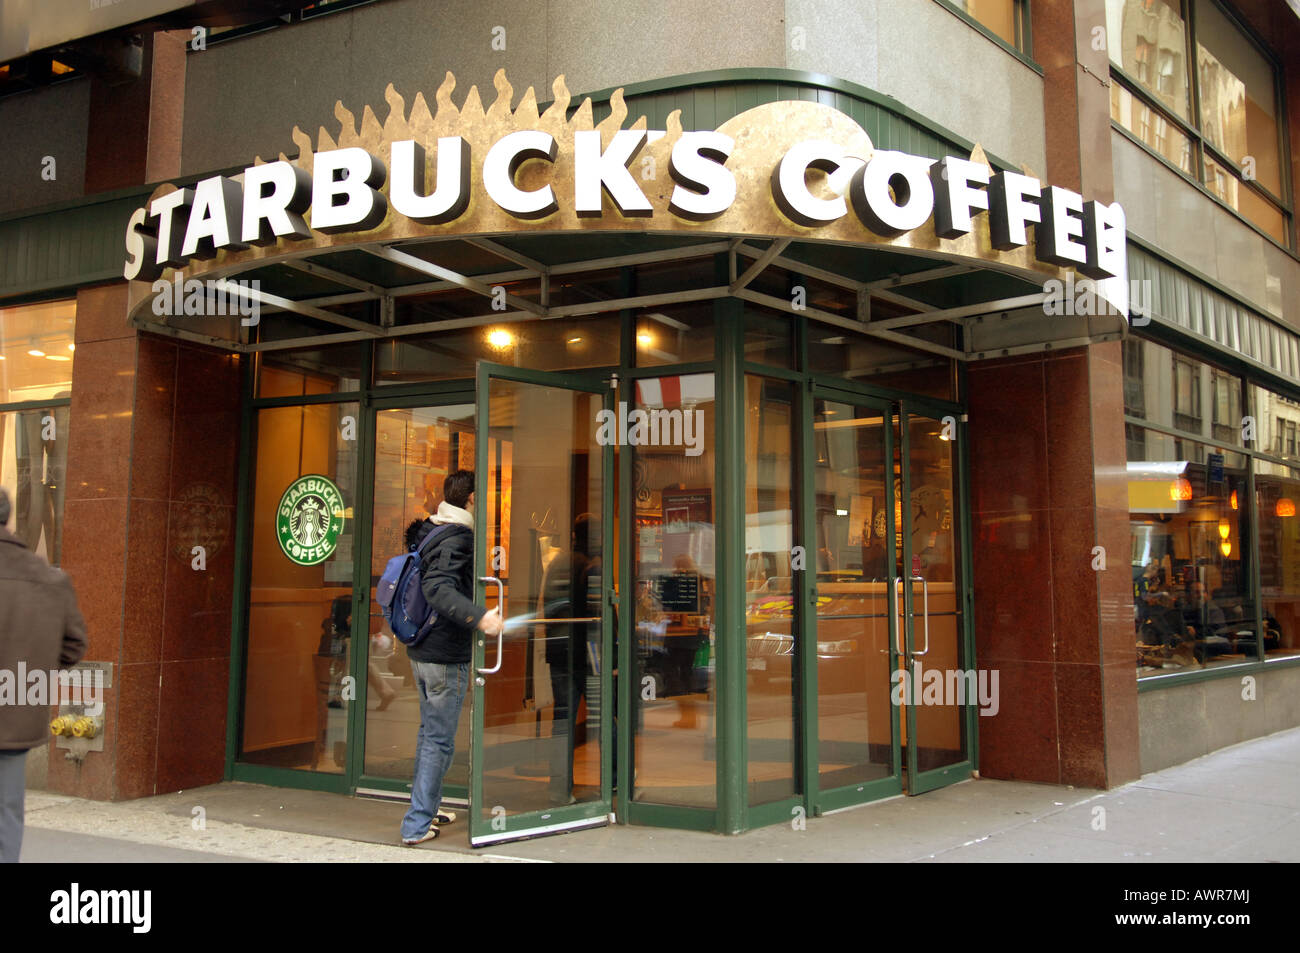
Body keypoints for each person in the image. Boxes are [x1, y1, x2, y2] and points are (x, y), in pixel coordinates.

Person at [399, 470, 503, 846]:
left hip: (423, 650)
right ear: (473, 499)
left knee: (430, 734)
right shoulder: (458, 537)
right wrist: (481, 617)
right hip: (445, 655)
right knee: (438, 740)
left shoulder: (433, 529)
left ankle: (428, 805)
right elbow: (438, 588)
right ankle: (416, 823)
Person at [0, 487, 87, 863]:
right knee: (6, 813)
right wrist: (30, 673)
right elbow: (73, 645)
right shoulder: (48, 577)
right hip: (17, 715)